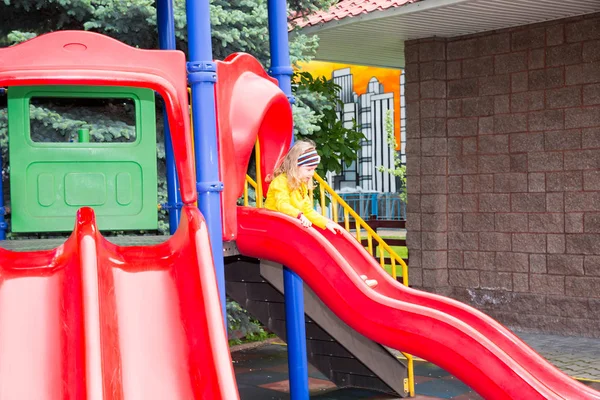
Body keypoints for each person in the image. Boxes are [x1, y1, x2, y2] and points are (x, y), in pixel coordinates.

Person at [265, 139, 378, 288]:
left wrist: (326, 223)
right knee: (319, 250)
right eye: (308, 169)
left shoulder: (300, 187)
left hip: (292, 230)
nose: (312, 174)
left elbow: (308, 211)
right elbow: (282, 204)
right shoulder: (280, 182)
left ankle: (353, 278)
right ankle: (349, 280)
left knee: (328, 245)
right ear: (295, 166)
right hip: (275, 230)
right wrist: (299, 215)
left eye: (314, 169)